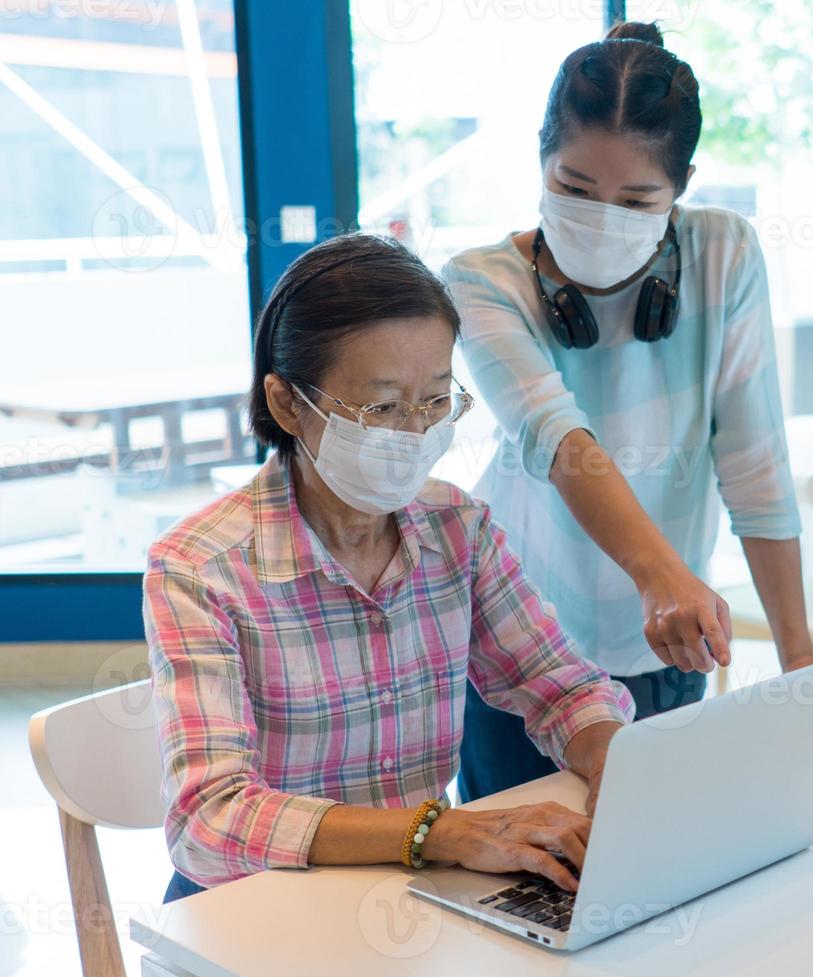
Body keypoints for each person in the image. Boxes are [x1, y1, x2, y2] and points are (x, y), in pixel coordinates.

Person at [444, 21, 813, 802]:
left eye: (636, 199)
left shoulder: (723, 253)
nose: (599, 216)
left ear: (682, 184)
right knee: (514, 876)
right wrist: (664, 575)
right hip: (515, 644)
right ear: (540, 162)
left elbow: (754, 461)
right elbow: (559, 439)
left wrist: (799, 658)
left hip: (665, 638)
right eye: (574, 189)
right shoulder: (481, 281)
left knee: (655, 858)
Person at [145, 233, 631, 902]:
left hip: (409, 898)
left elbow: (561, 687)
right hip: (256, 907)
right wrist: (442, 833)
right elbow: (211, 818)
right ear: (287, 403)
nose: (413, 434)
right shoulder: (202, 569)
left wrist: (616, 770)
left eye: (434, 402)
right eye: (380, 408)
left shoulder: (457, 528)